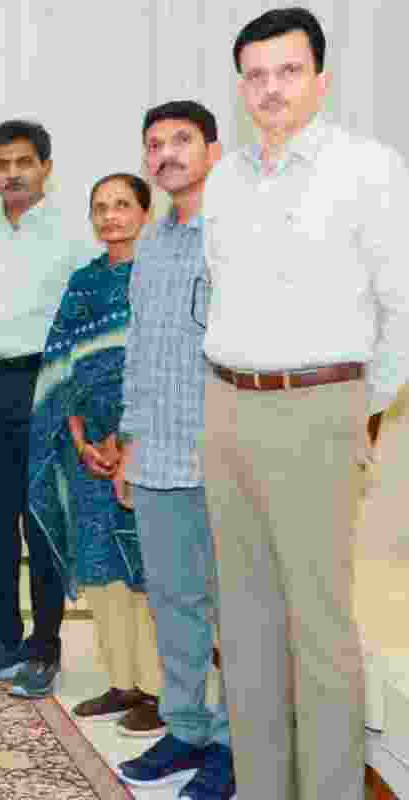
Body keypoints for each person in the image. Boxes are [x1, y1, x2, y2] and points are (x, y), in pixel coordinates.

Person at [202, 8, 407, 798]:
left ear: (320, 78)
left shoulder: (369, 168)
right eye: (255, 75)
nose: (271, 88)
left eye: (288, 71)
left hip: (318, 410)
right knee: (246, 631)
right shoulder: (225, 178)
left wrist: (356, 405)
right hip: (227, 410)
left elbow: (403, 306)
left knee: (318, 630)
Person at [113, 100, 235, 800]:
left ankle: (233, 743)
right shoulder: (152, 245)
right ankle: (186, 726)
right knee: (174, 601)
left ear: (213, 151)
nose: (166, 154)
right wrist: (129, 441)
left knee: (232, 611)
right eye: (154, 143)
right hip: (156, 453)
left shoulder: (236, 235)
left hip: (222, 453)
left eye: (182, 141)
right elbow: (138, 350)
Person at [0, 120, 93, 699]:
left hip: (43, 383)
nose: (12, 174)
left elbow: (82, 327)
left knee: (42, 519)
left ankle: (44, 648)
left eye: (23, 163)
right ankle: (0, 639)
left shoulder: (73, 239)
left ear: (46, 168)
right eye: (1, 164)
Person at [27, 173, 162, 736]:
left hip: (151, 443)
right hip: (86, 450)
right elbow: (62, 366)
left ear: (145, 212)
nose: (111, 217)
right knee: (101, 563)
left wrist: (125, 440)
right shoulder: (84, 283)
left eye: (122, 206)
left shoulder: (160, 276)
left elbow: (164, 362)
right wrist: (81, 438)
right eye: (100, 208)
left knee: (149, 568)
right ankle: (122, 680)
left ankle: (161, 689)